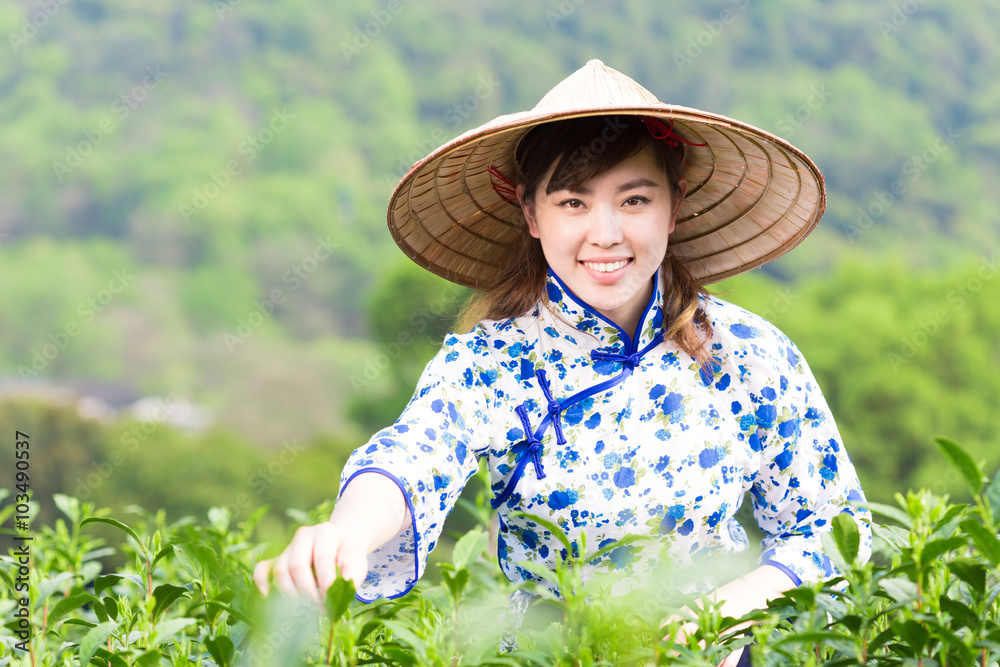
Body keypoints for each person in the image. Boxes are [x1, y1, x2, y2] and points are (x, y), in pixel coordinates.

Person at [254, 60, 872, 665]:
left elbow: (833, 528)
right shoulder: (492, 363)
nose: (604, 234)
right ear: (531, 213)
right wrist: (344, 535)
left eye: (633, 200)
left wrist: (724, 610)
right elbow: (412, 458)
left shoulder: (749, 354)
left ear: (674, 204)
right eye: (573, 204)